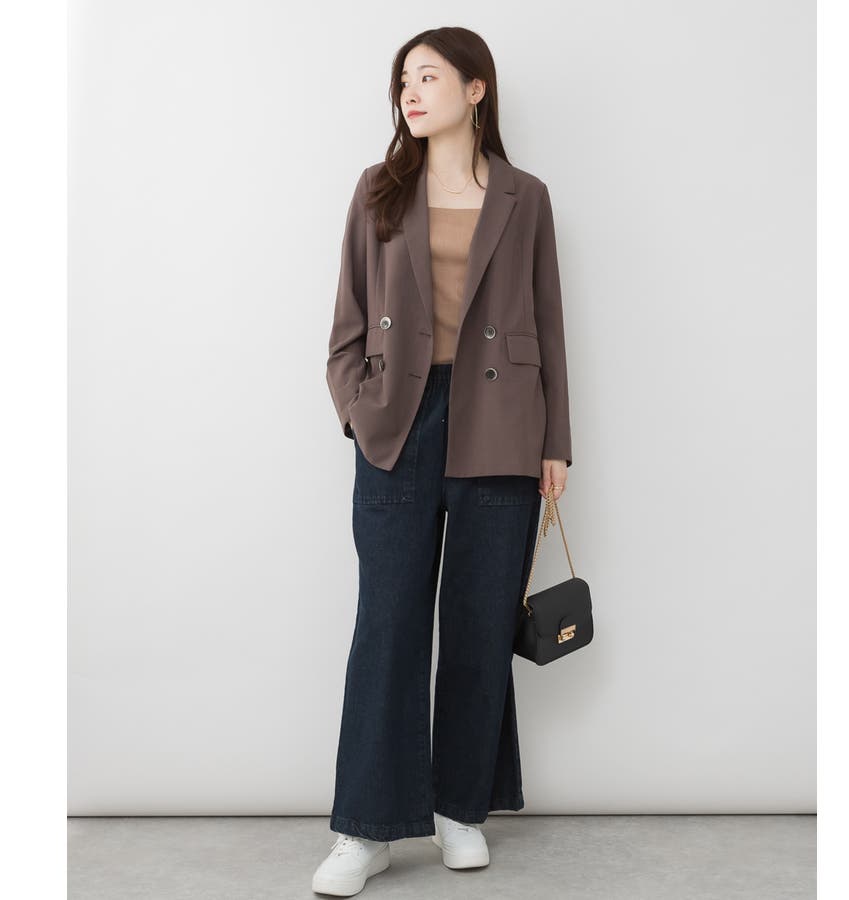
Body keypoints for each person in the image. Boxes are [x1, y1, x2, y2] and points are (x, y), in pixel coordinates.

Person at [314, 26, 572, 896]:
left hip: (503, 422)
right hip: (399, 420)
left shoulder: (526, 197)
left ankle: (461, 808)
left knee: (477, 624)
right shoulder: (379, 189)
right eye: (403, 81)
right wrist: (358, 411)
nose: (411, 93)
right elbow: (347, 323)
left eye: (428, 77)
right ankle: (366, 828)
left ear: (475, 89)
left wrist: (556, 441)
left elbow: (550, 322)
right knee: (387, 623)